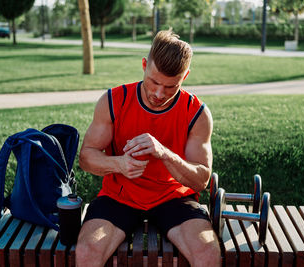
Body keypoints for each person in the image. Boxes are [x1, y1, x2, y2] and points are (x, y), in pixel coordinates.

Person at [76, 30, 221, 267]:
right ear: (144, 65)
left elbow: (201, 180)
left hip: (173, 197)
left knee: (207, 253)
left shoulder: (197, 113)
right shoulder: (114, 101)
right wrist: (119, 164)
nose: (158, 93)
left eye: (170, 87)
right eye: (154, 82)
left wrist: (164, 153)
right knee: (86, 252)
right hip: (120, 195)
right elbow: (86, 157)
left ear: (185, 76)